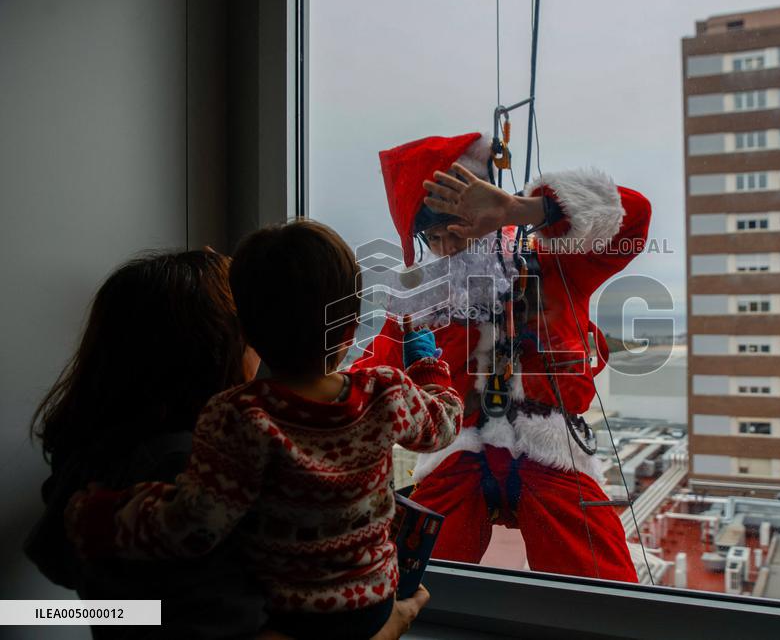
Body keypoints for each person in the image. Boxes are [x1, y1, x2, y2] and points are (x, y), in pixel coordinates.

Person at [65, 221, 463, 640]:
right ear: (349, 329)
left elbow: (195, 521)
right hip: (372, 603)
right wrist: (428, 371)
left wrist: (105, 516)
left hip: (292, 614)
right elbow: (444, 424)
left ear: (246, 333)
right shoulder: (386, 393)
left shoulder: (239, 416)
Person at [356, 131, 651, 582]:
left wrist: (524, 209)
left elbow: (633, 216)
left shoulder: (553, 259)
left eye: (458, 227)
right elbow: (375, 372)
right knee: (409, 579)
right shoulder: (421, 300)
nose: (449, 246)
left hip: (551, 447)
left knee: (605, 588)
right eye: (434, 237)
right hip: (457, 452)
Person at [27, 250, 269, 638]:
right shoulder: (183, 470)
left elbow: (60, 561)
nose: (263, 344)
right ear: (216, 348)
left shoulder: (97, 448)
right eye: (253, 330)